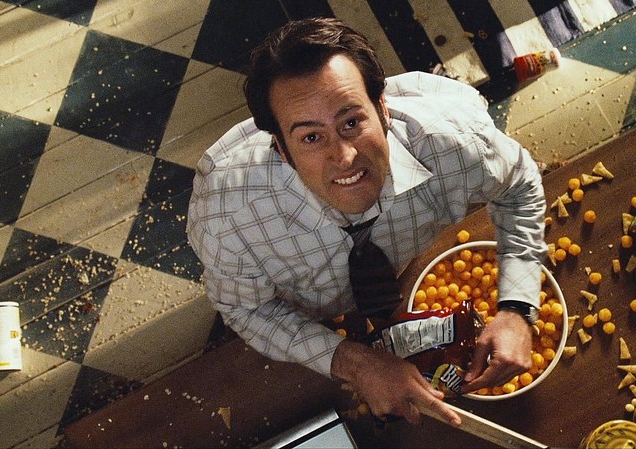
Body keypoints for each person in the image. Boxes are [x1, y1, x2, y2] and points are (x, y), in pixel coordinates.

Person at [187, 17, 547, 428]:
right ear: (282, 151)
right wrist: (354, 363)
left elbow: (520, 185)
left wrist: (518, 307)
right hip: (308, 314)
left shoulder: (454, 143)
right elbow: (245, 308)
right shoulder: (227, 217)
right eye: (310, 138)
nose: (344, 158)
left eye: (352, 122)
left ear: (382, 109)